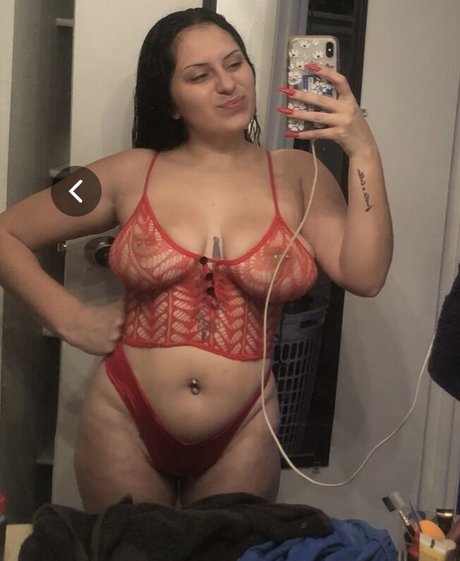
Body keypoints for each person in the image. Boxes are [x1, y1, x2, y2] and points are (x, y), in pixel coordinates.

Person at [0, 8, 392, 513]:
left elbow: (366, 275)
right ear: (170, 100)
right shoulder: (122, 174)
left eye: (235, 63)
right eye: (199, 75)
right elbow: (7, 232)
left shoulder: (299, 175)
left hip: (245, 424)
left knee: (228, 548)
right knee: (126, 548)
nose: (227, 84)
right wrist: (70, 317)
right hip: (124, 416)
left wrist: (363, 151)